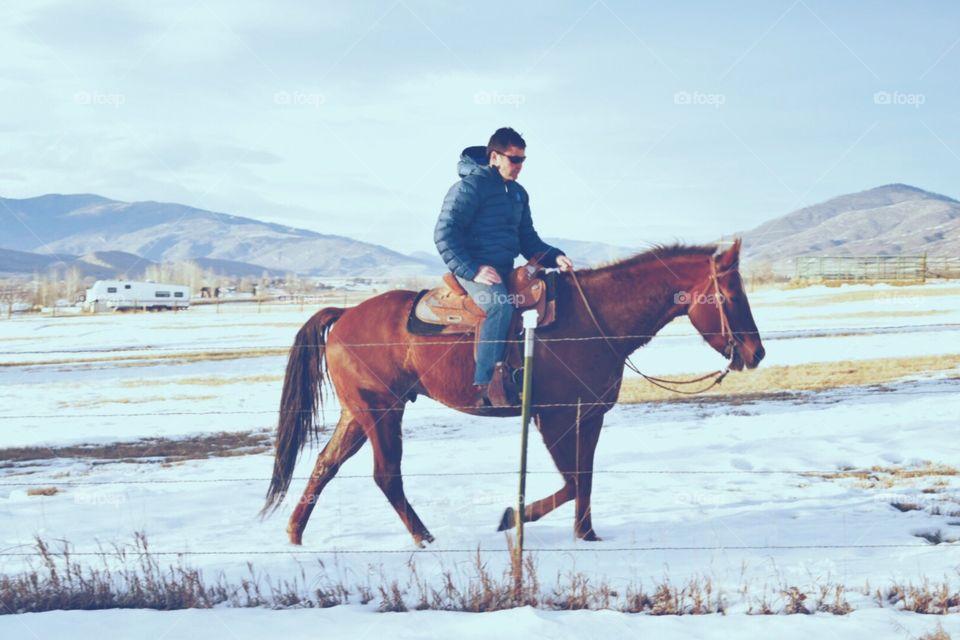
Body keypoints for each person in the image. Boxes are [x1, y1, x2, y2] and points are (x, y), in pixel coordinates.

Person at [434, 127, 574, 407]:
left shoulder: (518, 193)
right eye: (514, 159)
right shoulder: (469, 188)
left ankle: (525, 372)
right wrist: (473, 270)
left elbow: (528, 239)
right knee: (500, 305)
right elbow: (444, 234)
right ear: (495, 157)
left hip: (503, 269)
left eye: (523, 159)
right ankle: (486, 385)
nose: (520, 166)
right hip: (472, 270)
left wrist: (555, 257)